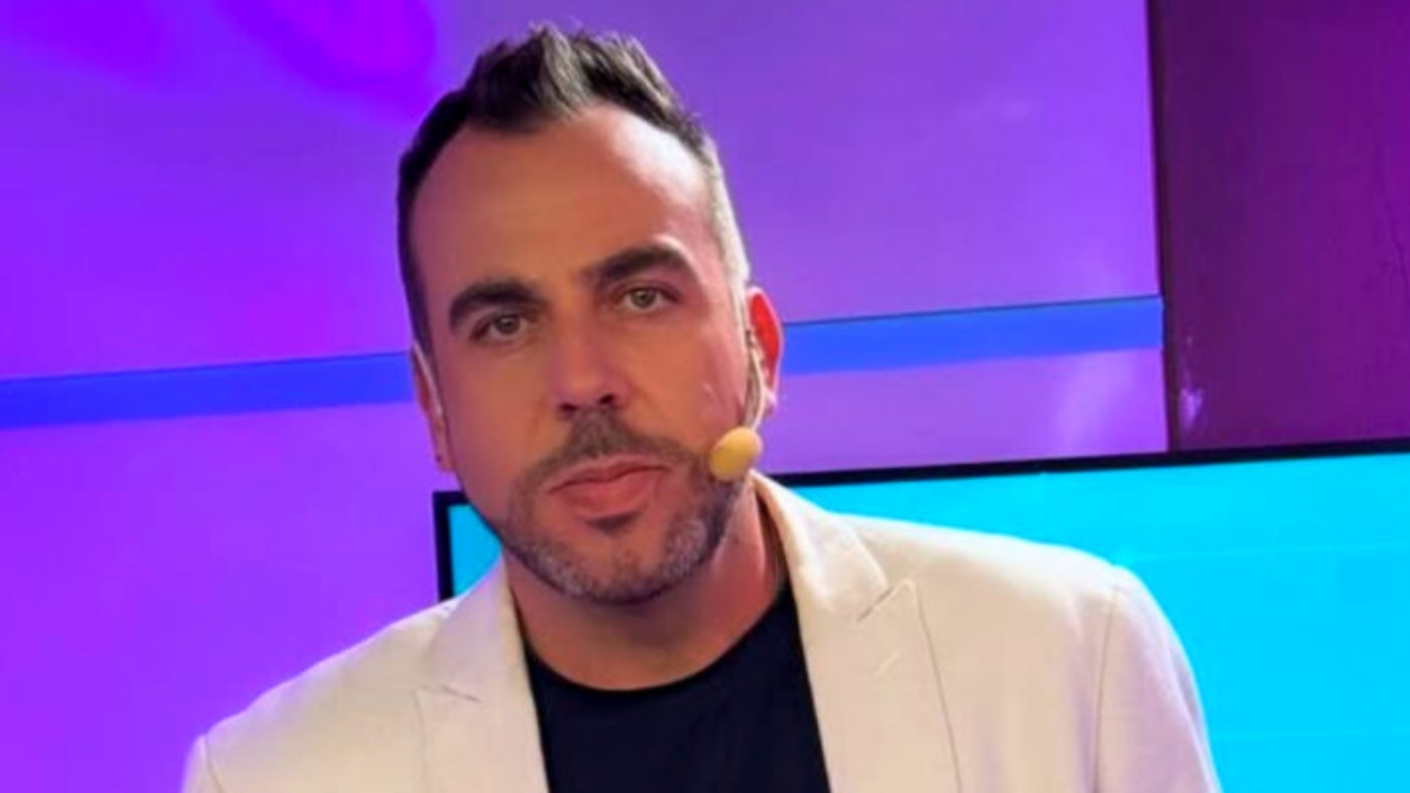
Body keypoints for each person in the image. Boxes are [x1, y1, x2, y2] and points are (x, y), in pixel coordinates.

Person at [183, 24, 1219, 793]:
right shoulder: (281, 774)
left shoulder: (1070, 659)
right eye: (504, 323)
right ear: (435, 409)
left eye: (640, 296)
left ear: (759, 349)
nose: (582, 378)